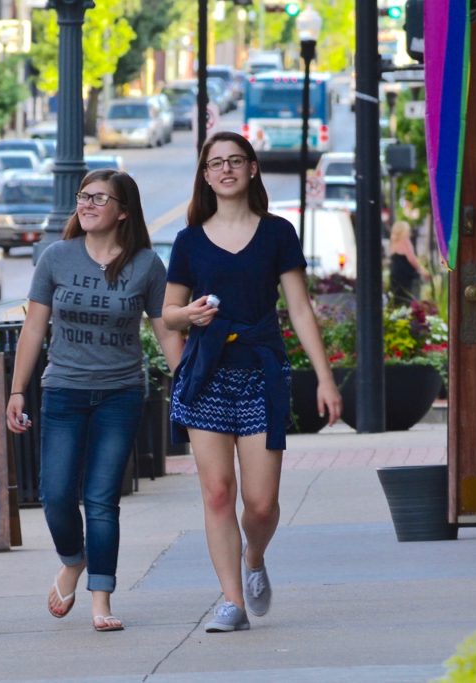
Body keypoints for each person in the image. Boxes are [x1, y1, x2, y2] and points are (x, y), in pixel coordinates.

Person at [163, 131, 341, 633]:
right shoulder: (189, 241)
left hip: (263, 371)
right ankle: (230, 600)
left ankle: (255, 556)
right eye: (215, 163)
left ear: (252, 169)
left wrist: (325, 379)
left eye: (234, 161)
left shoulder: (278, 232)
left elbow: (301, 310)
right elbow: (168, 314)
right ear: (205, 176)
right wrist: (189, 317)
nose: (225, 170)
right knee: (218, 492)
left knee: (260, 503)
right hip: (208, 374)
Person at [6, 169, 183, 632]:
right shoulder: (55, 257)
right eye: (83, 196)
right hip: (63, 388)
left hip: (120, 393)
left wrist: (184, 378)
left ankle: (101, 600)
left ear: (123, 210)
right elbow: (33, 329)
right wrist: (17, 389)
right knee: (56, 495)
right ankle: (73, 559)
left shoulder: (146, 265)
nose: (86, 204)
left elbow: (164, 328)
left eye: (99, 198)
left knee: (101, 499)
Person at [388, 220, 429, 306]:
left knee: (398, 300)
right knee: (410, 300)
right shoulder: (405, 241)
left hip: (395, 275)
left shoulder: (393, 242)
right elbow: (412, 259)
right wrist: (422, 270)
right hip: (407, 276)